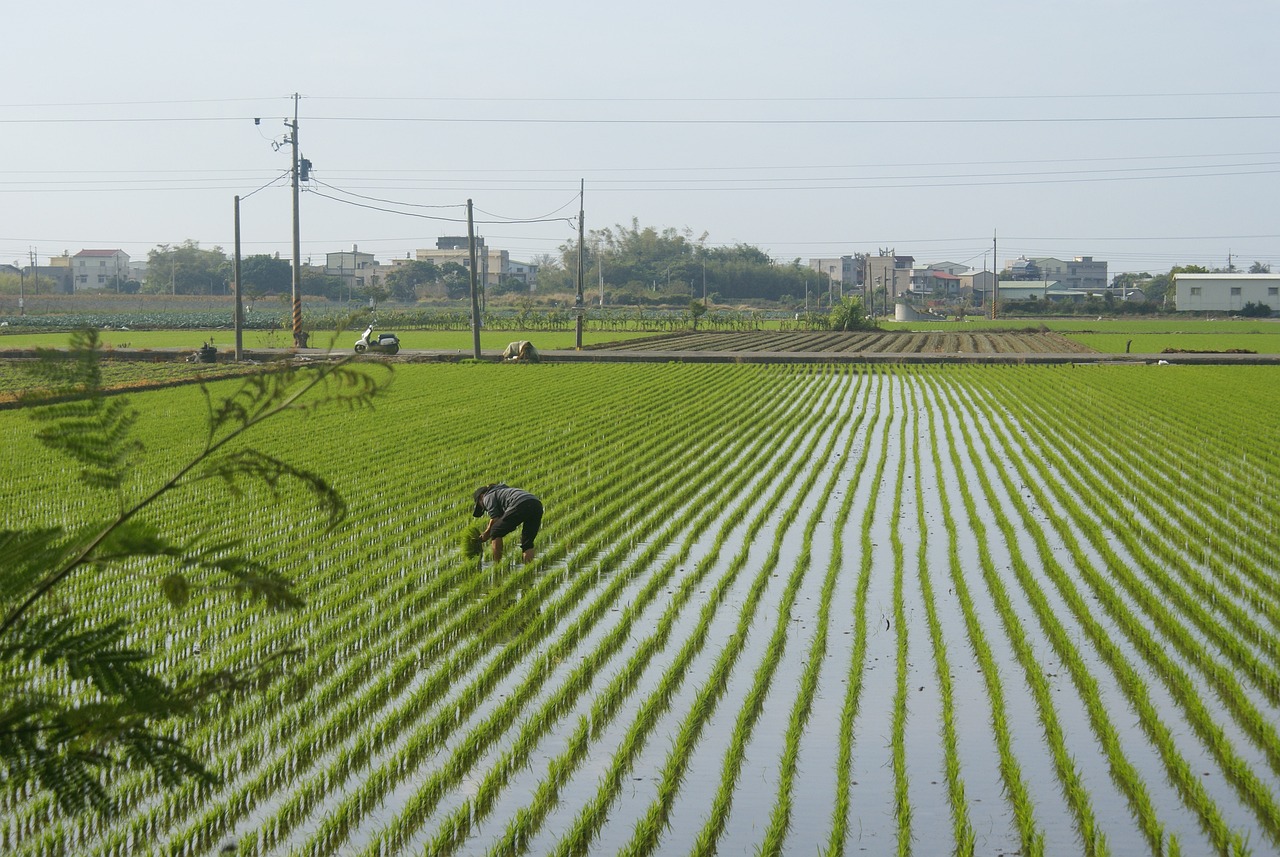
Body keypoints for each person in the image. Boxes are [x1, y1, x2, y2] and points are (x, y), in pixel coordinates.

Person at [472, 483, 543, 562]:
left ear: (481, 496)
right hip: (536, 504)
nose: (483, 508)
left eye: (480, 505)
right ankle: (529, 568)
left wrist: (486, 533)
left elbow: (495, 519)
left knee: (495, 531)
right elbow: (500, 518)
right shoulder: (502, 491)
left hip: (520, 503)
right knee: (527, 543)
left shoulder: (487, 497)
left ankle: (497, 565)